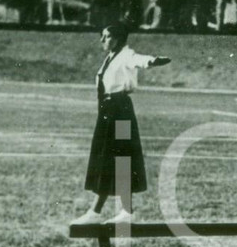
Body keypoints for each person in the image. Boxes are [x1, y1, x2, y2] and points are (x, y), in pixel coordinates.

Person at [71, 23, 171, 226]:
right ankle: (103, 211)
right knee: (109, 158)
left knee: (121, 157)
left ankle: (115, 211)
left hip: (121, 112)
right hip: (109, 112)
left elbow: (139, 60)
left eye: (106, 36)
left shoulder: (126, 55)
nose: (102, 40)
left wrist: (152, 61)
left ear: (116, 39)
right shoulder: (110, 57)